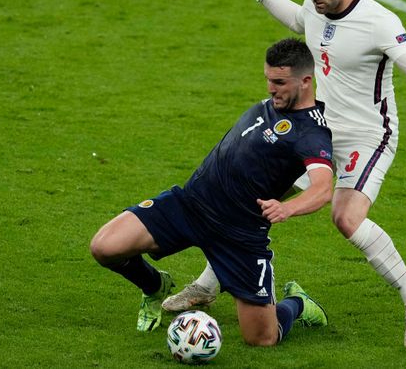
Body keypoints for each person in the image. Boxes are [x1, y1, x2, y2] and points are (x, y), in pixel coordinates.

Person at [163, 0, 406, 349]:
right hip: (318, 128)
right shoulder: (315, 6)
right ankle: (209, 284)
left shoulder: (379, 21)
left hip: (367, 134)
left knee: (346, 218)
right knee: (254, 196)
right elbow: (299, 18)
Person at [90, 38, 334, 346]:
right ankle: (154, 286)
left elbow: (323, 188)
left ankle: (297, 303)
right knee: (104, 246)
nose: (271, 89)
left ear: (306, 81)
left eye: (279, 82)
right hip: (190, 205)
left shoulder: (312, 133)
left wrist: (287, 208)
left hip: (239, 235)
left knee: (262, 339)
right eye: (268, 80)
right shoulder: (276, 103)